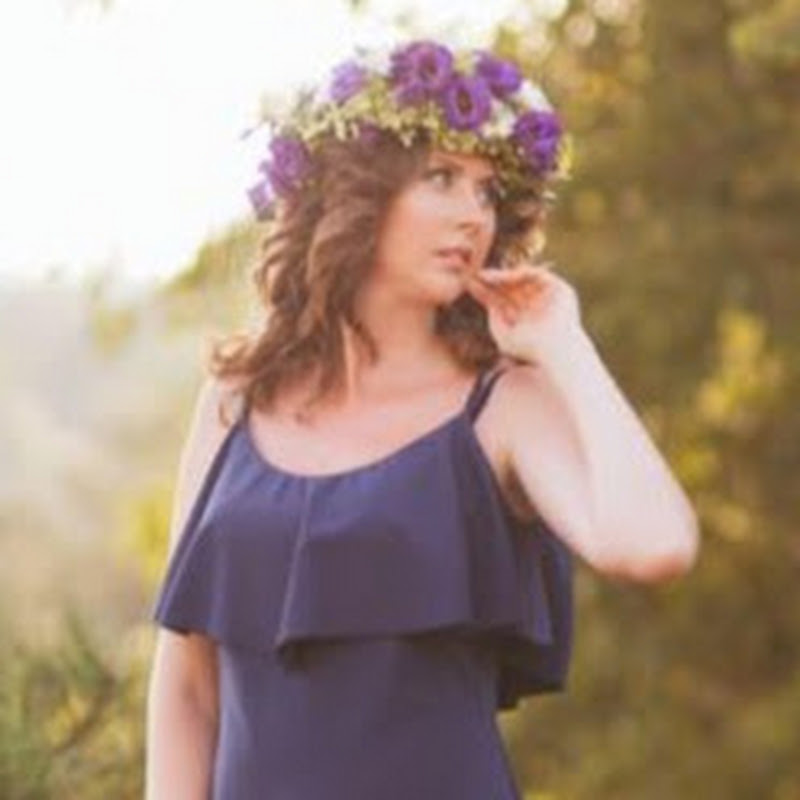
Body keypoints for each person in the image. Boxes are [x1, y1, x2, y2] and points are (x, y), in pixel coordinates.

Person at [145, 39, 700, 799]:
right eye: (441, 178)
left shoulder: (505, 407)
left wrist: (566, 348)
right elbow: (188, 679)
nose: (473, 215)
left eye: (487, 191)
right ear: (355, 194)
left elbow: (656, 545)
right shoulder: (236, 396)